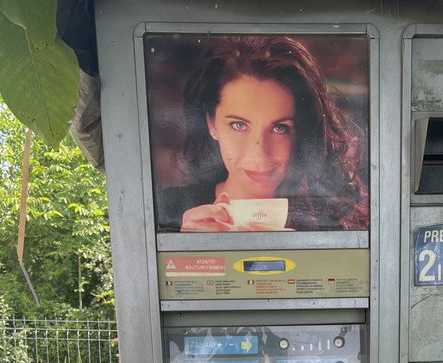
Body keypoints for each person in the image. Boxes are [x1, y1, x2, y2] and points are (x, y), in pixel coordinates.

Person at [156, 35, 369, 232]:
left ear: (301, 134)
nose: (259, 155)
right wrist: (186, 250)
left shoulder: (336, 221)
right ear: (212, 124)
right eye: (239, 125)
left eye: (279, 128)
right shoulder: (167, 212)